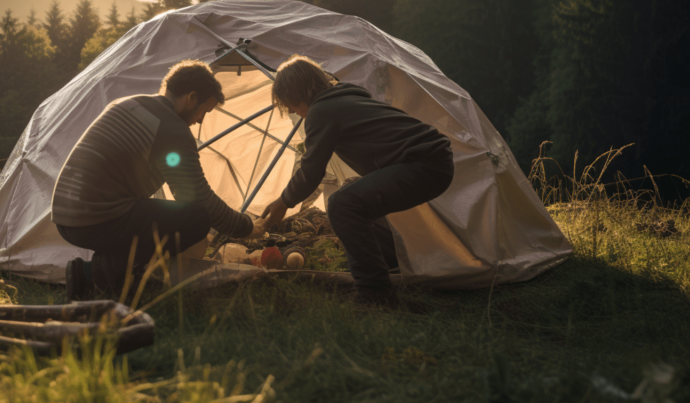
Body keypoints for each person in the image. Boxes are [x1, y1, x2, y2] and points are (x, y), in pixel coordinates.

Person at [53, 59, 266, 300]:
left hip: (66, 217)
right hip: (97, 218)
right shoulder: (171, 128)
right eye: (204, 111)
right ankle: (106, 276)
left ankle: (92, 273)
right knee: (196, 219)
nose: (199, 121)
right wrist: (246, 227)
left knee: (165, 217)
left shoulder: (129, 103)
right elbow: (197, 197)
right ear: (191, 97)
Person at [260, 56, 454, 305]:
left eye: (292, 105)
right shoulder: (343, 98)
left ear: (297, 92)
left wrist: (282, 203)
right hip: (433, 160)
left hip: (423, 163)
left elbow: (311, 171)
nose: (293, 112)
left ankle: (375, 294)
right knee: (352, 193)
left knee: (343, 204)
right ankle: (388, 265)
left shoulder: (322, 110)